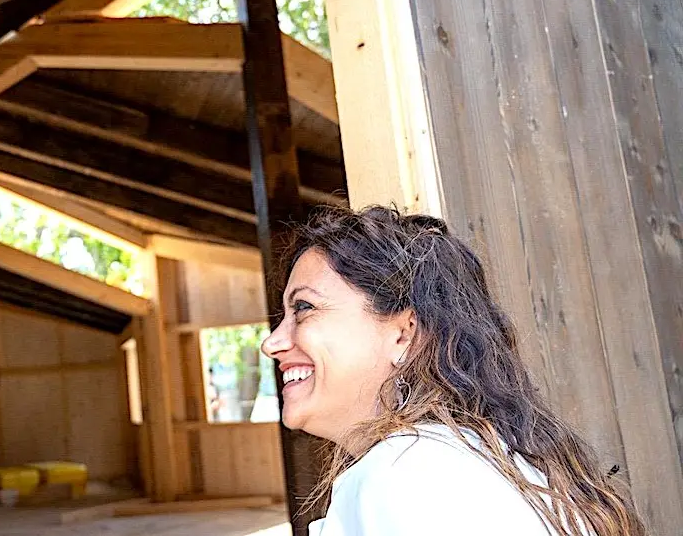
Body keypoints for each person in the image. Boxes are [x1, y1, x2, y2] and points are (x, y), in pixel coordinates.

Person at [260, 206, 644, 536]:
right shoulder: (463, 460)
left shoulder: (407, 474)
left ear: (403, 334)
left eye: (304, 309)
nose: (272, 343)